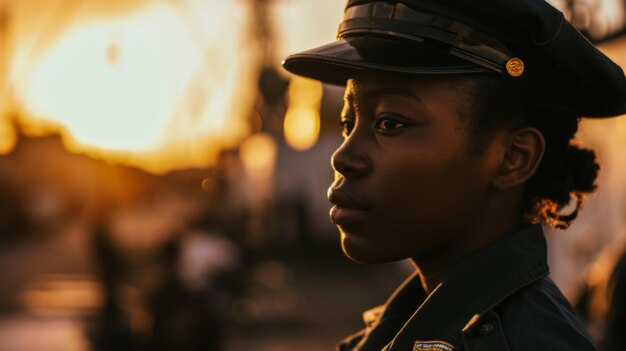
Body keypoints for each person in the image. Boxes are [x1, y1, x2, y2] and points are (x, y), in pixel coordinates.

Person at [281, 0, 626, 350]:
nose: (343, 157)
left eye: (390, 123)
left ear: (513, 158)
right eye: (348, 124)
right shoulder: (400, 328)